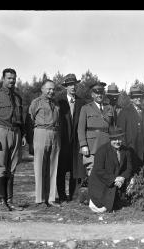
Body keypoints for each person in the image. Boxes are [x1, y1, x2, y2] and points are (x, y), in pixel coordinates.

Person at [0, 68, 26, 211]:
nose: (12, 81)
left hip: (16, 133)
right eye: (9, 78)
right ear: (3, 79)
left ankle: (10, 201)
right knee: (0, 167)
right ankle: (1, 201)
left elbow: (21, 119)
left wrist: (23, 135)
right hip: (1, 131)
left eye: (14, 78)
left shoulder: (18, 97)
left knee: (12, 168)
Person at [28, 80, 61, 207]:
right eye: (49, 89)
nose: (51, 91)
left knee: (53, 166)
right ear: (42, 89)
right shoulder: (36, 102)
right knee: (40, 166)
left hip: (55, 134)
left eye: (53, 89)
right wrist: (31, 141)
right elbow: (29, 120)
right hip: (41, 132)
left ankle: (51, 198)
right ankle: (40, 199)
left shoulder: (56, 104)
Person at [55, 73, 86, 205]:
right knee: (61, 170)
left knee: (76, 170)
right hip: (62, 141)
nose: (73, 87)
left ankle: (73, 196)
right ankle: (62, 196)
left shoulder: (81, 102)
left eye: (74, 84)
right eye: (70, 85)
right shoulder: (58, 100)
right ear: (66, 87)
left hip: (76, 142)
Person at [87, 126, 132, 213]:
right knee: (102, 207)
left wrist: (122, 178)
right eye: (115, 139)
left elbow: (129, 168)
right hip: (101, 183)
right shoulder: (102, 151)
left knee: (114, 205)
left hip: (117, 182)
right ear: (110, 139)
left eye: (120, 139)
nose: (118, 142)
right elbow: (99, 170)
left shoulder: (126, 151)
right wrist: (114, 179)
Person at [117, 86, 144, 178]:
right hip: (132, 149)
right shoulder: (124, 112)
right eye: (135, 97)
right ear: (131, 99)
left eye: (140, 96)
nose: (138, 99)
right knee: (131, 174)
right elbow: (121, 134)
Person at [78, 81, 113, 176]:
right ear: (92, 95)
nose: (99, 95)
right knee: (93, 173)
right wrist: (83, 145)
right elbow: (80, 129)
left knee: (106, 172)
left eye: (101, 93)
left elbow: (112, 127)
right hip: (91, 146)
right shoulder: (85, 108)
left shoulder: (109, 108)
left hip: (106, 144)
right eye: (97, 93)